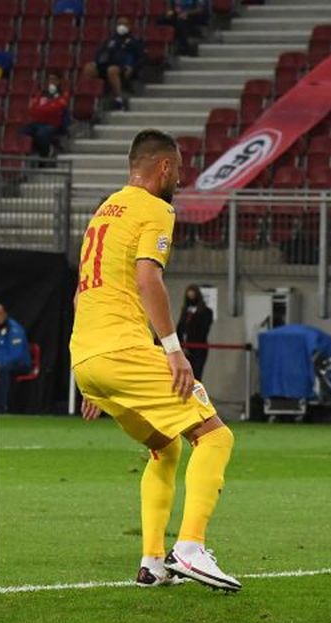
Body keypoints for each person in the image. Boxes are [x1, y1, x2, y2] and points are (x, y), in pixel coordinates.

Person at [71, 129, 240, 592]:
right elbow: (148, 280)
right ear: (163, 168)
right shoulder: (156, 208)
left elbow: (81, 291)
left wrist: (89, 378)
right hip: (124, 349)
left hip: (87, 355)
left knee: (166, 447)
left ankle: (152, 562)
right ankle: (189, 547)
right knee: (215, 437)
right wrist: (174, 350)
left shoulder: (105, 210)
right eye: (179, 171)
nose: (180, 181)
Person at [81, 17, 144, 111]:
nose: (122, 26)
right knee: (88, 68)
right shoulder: (110, 40)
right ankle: (88, 98)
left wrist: (133, 68)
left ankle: (118, 99)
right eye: (119, 24)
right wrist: (95, 62)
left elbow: (141, 58)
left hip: (123, 67)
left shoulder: (134, 41)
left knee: (112, 70)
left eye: (124, 24)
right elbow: (100, 53)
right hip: (105, 65)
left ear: (129, 26)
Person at [19, 72, 69, 161]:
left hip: (52, 124)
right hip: (37, 123)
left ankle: (45, 155)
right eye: (50, 79)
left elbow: (55, 108)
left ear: (59, 81)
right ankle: (34, 152)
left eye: (54, 79)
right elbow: (32, 109)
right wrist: (46, 107)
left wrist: (42, 108)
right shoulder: (42, 93)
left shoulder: (63, 94)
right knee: (22, 131)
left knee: (41, 134)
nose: (51, 81)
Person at [0, 303, 32, 413]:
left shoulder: (14, 329)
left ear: (5, 314)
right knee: (3, 368)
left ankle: (3, 408)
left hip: (20, 364)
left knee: (4, 369)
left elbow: (16, 355)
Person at [177, 284, 213, 380]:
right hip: (184, 347)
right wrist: (181, 345)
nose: (191, 298)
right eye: (189, 296)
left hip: (198, 348)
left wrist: (189, 346)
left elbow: (202, 331)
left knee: (196, 375)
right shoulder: (185, 310)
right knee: (184, 375)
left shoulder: (206, 311)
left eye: (193, 296)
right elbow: (180, 327)